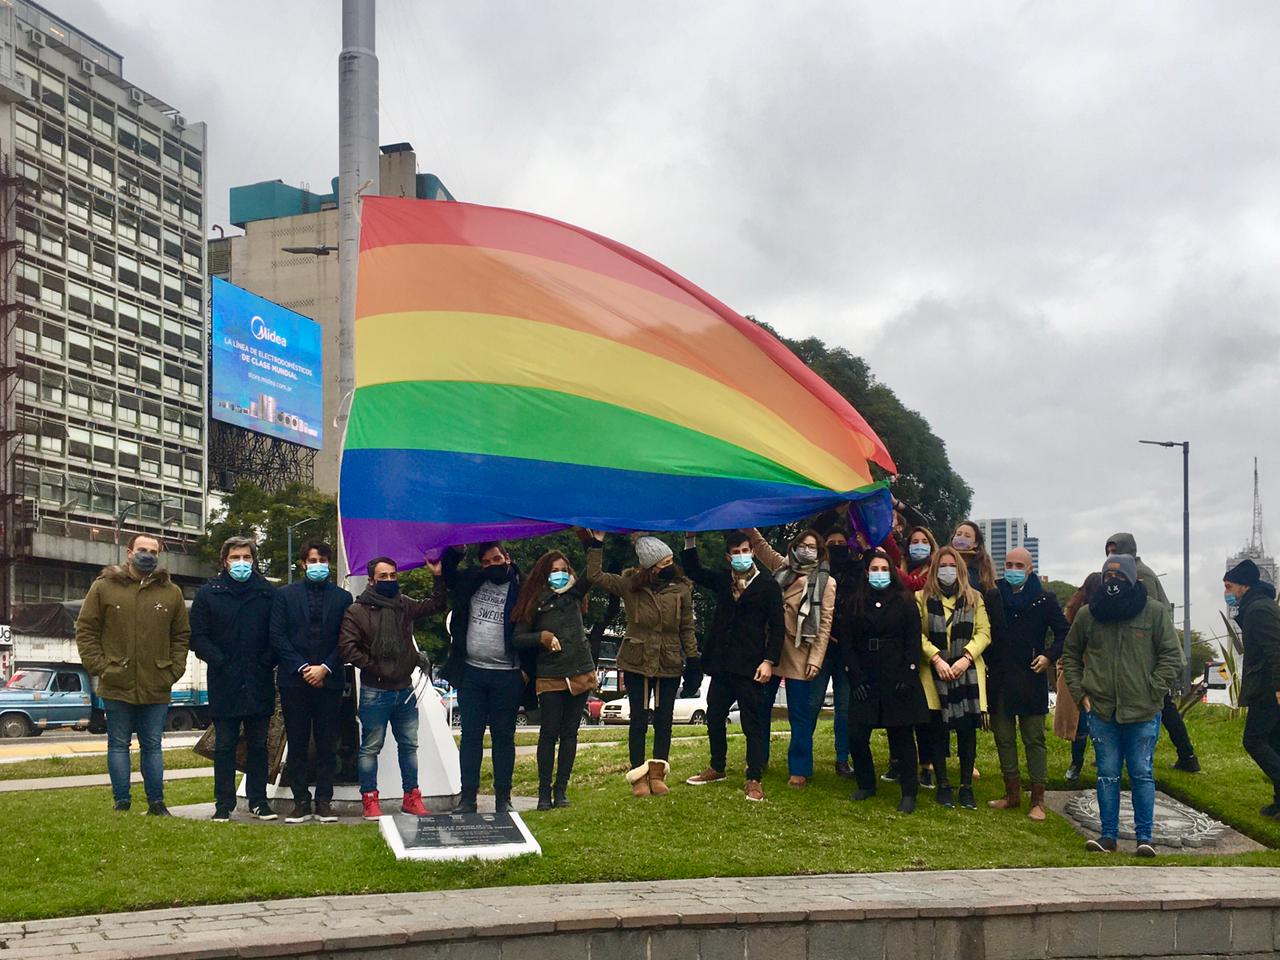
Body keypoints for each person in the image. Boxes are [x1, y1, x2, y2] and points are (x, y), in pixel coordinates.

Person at [1062, 553, 1184, 856]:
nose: (1113, 582)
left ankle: (1145, 838)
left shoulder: (1154, 612)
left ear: (1133, 579)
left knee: (1142, 772)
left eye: (1119, 576)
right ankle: (1108, 837)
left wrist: (1153, 690)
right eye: (1108, 577)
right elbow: (1071, 655)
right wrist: (1081, 694)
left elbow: (1173, 656)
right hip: (1102, 710)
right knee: (1107, 773)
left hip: (1143, 711)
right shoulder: (1089, 615)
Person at [75, 533, 191, 816]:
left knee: (153, 745)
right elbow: (86, 629)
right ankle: (121, 801)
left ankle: (157, 802)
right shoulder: (103, 587)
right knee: (117, 744)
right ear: (129, 552)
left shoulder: (171, 592)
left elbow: (181, 636)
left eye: (153, 551)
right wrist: (101, 667)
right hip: (116, 681)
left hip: (156, 683)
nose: (147, 555)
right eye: (142, 549)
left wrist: (173, 671)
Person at [583, 531, 696, 798]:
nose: (669, 567)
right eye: (663, 563)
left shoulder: (681, 589)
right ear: (651, 566)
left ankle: (658, 772)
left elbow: (687, 627)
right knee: (638, 719)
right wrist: (596, 544)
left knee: (664, 719)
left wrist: (693, 659)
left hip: (668, 659)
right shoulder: (629, 584)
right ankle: (638, 775)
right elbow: (594, 576)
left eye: (671, 561)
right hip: (637, 659)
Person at [339, 555, 447, 820]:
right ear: (371, 580)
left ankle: (411, 797)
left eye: (392, 575)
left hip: (405, 690)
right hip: (375, 691)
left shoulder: (404, 604)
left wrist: (437, 576)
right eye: (383, 576)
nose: (388, 580)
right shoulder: (357, 611)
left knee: (409, 746)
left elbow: (437, 604)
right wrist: (374, 666)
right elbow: (347, 647)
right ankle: (370, 799)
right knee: (370, 748)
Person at [681, 530, 785, 802]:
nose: (741, 556)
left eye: (745, 550)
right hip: (722, 663)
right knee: (714, 715)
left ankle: (754, 777)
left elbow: (777, 627)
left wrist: (769, 661)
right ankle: (717, 766)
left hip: (751, 665)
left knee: (752, 723)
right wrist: (690, 539)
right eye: (735, 552)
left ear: (752, 551)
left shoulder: (768, 585)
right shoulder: (723, 580)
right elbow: (694, 570)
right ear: (728, 556)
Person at [189, 536, 278, 822]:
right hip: (224, 680)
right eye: (235, 557)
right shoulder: (208, 594)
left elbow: (277, 634)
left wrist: (266, 662)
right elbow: (198, 637)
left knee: (259, 745)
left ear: (254, 560)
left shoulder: (268, 593)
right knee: (224, 745)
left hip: (258, 680)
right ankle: (223, 803)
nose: (241, 562)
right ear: (225, 561)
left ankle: (259, 801)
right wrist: (220, 661)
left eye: (247, 557)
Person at [440, 542, 529, 814]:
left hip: (508, 674)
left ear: (508, 558)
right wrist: (456, 550)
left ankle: (504, 797)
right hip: (472, 673)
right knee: (470, 737)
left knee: (504, 737)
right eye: (488, 562)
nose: (494, 564)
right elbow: (449, 576)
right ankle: (468, 797)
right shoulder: (472, 582)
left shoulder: (523, 587)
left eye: (497, 558)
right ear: (481, 565)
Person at [269, 540, 353, 824]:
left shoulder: (343, 598)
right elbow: (277, 636)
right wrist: (304, 667)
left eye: (323, 560)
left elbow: (346, 639)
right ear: (303, 563)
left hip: (329, 680)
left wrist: (325, 668)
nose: (318, 565)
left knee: (329, 743)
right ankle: (300, 802)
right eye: (313, 560)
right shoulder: (284, 596)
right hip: (295, 681)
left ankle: (325, 801)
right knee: (298, 743)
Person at [747, 527, 836, 787]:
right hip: (770, 650)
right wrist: (750, 527)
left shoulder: (826, 582)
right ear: (794, 547)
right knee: (760, 707)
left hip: (801, 652)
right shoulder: (783, 567)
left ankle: (799, 769)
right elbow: (762, 549)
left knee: (800, 715)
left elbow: (824, 624)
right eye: (802, 545)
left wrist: (815, 660)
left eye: (812, 547)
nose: (806, 550)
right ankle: (758, 759)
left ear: (820, 552)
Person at [1105, 532, 1200, 772]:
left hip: (1146, 653)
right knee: (1164, 706)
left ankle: (1185, 754)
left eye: (1115, 550)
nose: (1111, 555)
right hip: (1137, 651)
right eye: (1109, 550)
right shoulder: (1129, 571)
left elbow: (1145, 613)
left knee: (1162, 704)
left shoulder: (1141, 574)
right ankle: (1186, 755)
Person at [987, 547, 1070, 820]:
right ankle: (1011, 794)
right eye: (1008, 564)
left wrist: (1048, 656)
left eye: (1018, 565)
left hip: (1031, 677)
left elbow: (1063, 633)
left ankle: (1037, 799)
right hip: (999, 676)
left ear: (1030, 569)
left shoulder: (1045, 599)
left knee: (1034, 738)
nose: (1012, 569)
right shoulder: (994, 594)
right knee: (1004, 737)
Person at [512, 549, 598, 810]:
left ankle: (561, 790)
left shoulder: (575, 595)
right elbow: (517, 638)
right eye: (554, 570)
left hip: (580, 671)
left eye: (564, 569)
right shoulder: (534, 601)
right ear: (544, 573)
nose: (560, 574)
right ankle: (543, 794)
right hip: (550, 674)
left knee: (570, 732)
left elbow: (592, 571)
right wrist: (542, 637)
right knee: (549, 732)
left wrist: (595, 543)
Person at [845, 550, 928, 813]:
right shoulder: (854, 602)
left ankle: (909, 793)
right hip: (865, 676)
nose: (879, 574)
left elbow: (913, 642)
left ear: (891, 572)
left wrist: (908, 674)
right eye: (874, 569)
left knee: (902, 735)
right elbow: (847, 644)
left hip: (897, 676)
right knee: (857, 735)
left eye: (884, 569)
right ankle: (866, 784)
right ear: (866, 572)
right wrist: (855, 677)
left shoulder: (905, 602)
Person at [916, 545, 991, 810]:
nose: (947, 571)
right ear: (934, 570)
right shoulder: (920, 598)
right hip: (934, 673)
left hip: (966, 673)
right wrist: (936, 658)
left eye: (951, 566)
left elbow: (984, 633)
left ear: (959, 570)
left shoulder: (975, 598)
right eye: (942, 566)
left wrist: (966, 658)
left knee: (966, 731)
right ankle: (943, 785)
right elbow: (918, 634)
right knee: (937, 730)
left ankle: (966, 787)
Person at [1223, 559, 1280, 817]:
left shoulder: (1258, 610)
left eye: (1229, 586)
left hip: (1267, 687)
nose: (1227, 592)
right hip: (1268, 684)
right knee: (1273, 741)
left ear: (1244, 586)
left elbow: (1275, 649)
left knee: (1254, 740)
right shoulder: (1259, 605)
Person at [815, 525, 860, 778]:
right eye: (830, 542)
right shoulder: (815, 572)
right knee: (812, 704)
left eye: (841, 542)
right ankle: (802, 757)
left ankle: (843, 759)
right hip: (821, 649)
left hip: (847, 650)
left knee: (844, 709)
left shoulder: (858, 570)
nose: (836, 545)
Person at [1056, 573, 1102, 781]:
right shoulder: (1078, 612)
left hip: (1099, 674)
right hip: (1081, 673)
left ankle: (1089, 762)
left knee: (1094, 723)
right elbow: (1070, 646)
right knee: (1081, 723)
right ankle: (1077, 763)